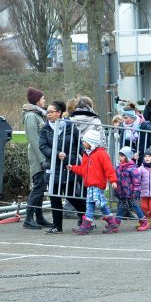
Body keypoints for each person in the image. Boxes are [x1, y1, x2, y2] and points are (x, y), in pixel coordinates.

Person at [40, 100, 87, 234]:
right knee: (54, 197)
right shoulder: (45, 128)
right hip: (53, 167)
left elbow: (79, 144)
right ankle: (57, 226)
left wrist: (85, 158)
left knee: (72, 196)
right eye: (47, 112)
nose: (48, 115)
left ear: (59, 113)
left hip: (68, 167)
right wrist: (55, 154)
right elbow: (42, 146)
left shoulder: (70, 126)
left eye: (51, 112)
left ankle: (85, 218)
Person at [68, 129, 119, 234]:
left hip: (97, 184)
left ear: (91, 143)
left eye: (85, 141)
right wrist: (73, 168)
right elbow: (83, 170)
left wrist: (113, 180)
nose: (83, 143)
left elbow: (108, 168)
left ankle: (86, 225)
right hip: (90, 185)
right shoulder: (86, 155)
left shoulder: (101, 154)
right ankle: (112, 224)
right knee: (99, 204)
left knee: (92, 204)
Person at [22, 87, 53, 229]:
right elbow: (34, 140)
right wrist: (42, 160)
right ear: (36, 100)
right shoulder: (30, 116)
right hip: (37, 158)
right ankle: (28, 218)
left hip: (42, 157)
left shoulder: (39, 114)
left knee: (41, 187)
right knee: (38, 187)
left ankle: (39, 217)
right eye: (42, 98)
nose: (44, 100)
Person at [114, 146, 149, 231]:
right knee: (121, 207)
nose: (120, 158)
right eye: (120, 156)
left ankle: (144, 222)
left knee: (135, 206)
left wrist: (136, 191)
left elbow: (137, 181)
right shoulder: (118, 167)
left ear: (127, 157)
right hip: (122, 193)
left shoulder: (132, 168)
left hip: (131, 193)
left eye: (122, 156)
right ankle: (115, 224)